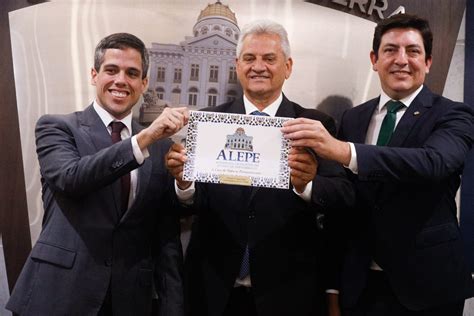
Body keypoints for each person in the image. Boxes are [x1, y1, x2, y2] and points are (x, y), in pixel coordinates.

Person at [282, 13, 474, 316]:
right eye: (390, 50)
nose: (401, 60)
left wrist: (344, 150)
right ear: (374, 59)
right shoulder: (353, 118)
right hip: (360, 285)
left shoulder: (454, 115)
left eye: (413, 51)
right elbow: (344, 205)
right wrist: (332, 286)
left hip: (428, 286)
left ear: (428, 63)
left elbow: (432, 163)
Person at [166, 19, 354, 316]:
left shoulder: (314, 125)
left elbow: (343, 195)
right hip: (212, 290)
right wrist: (184, 183)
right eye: (249, 58)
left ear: (288, 66)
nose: (258, 67)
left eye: (269, 58)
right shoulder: (208, 122)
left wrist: (307, 184)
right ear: (237, 65)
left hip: (288, 292)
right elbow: (190, 204)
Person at [6, 33, 188, 315]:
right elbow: (72, 178)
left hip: (128, 301)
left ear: (144, 83)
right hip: (58, 296)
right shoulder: (57, 127)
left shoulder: (162, 147)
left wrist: (184, 184)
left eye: (132, 73)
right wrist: (144, 139)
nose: (120, 81)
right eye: (111, 70)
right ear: (94, 75)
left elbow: (167, 240)